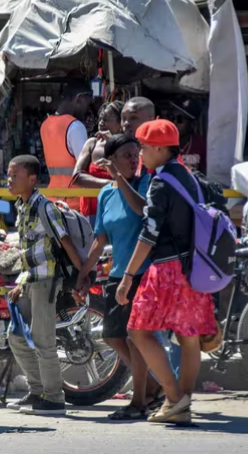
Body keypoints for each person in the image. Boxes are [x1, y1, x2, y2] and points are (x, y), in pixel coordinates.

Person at [117, 119, 217, 425]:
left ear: (161, 148)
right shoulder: (190, 176)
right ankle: (181, 404)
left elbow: (149, 235)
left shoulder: (161, 182)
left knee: (138, 330)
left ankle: (173, 397)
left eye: (144, 147)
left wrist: (128, 276)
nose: (140, 154)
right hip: (195, 267)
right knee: (188, 336)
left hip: (168, 270)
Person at [75, 135, 163, 420]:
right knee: (113, 335)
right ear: (110, 160)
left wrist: (119, 178)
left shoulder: (145, 184)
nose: (134, 159)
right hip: (117, 275)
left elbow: (141, 209)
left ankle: (139, 401)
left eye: (135, 154)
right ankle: (152, 386)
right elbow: (100, 241)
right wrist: (83, 272)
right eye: (126, 155)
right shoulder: (106, 194)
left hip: (142, 274)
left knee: (136, 339)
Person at [5, 155, 83, 416]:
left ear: (32, 179)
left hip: (46, 282)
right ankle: (37, 390)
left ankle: (54, 399)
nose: (9, 179)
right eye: (9, 174)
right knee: (15, 337)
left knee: (43, 341)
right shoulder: (22, 206)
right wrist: (20, 283)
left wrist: (83, 274)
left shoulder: (45, 207)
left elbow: (65, 243)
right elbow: (30, 250)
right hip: (29, 281)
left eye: (15, 175)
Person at [40, 81, 93, 210]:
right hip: (73, 202)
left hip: (52, 199)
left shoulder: (45, 124)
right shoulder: (75, 126)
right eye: (87, 103)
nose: (87, 109)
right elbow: (86, 165)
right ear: (79, 99)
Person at [74, 101, 125, 222]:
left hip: (118, 210)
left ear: (120, 123)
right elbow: (77, 177)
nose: (101, 123)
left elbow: (129, 177)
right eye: (101, 118)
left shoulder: (128, 146)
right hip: (91, 213)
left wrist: (113, 142)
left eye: (107, 119)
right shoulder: (92, 144)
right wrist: (111, 184)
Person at [167, 99, 207, 174]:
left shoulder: (200, 144)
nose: (174, 123)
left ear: (192, 125)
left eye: (180, 119)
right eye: (172, 117)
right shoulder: (165, 144)